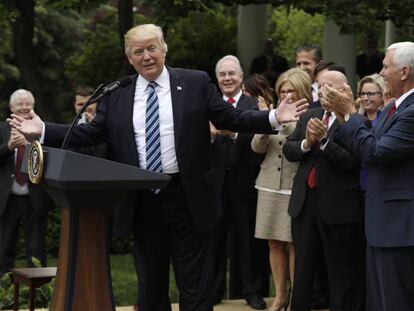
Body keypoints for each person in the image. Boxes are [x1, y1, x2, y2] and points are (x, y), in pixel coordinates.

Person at [8, 24, 308, 311]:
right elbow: (89, 133)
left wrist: (272, 118)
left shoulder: (193, 82)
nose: (146, 56)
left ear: (164, 50)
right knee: (150, 288)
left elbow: (229, 118)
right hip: (142, 200)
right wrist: (43, 130)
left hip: (188, 197)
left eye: (152, 48)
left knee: (195, 287)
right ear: (130, 58)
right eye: (138, 52)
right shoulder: (117, 92)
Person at [324, 41, 414, 311]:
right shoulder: (391, 108)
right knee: (378, 302)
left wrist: (351, 112)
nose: (382, 72)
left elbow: (375, 152)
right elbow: (365, 145)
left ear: (405, 72)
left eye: (386, 67)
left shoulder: (411, 113)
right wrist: (343, 115)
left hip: (401, 229)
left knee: (396, 302)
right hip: (380, 225)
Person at [283, 70, 365, 311]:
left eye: (328, 86)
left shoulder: (353, 120)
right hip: (305, 203)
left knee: (339, 272)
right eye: (319, 87)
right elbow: (289, 151)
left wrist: (324, 141)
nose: (322, 91)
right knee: (303, 270)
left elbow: (352, 161)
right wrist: (308, 142)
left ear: (343, 89)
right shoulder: (310, 113)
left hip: (338, 206)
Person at [210, 57, 269, 310]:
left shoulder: (253, 104)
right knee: (214, 240)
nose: (227, 78)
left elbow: (261, 137)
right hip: (215, 184)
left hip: (246, 182)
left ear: (241, 75)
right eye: (222, 74)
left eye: (231, 73)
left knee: (248, 242)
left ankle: (252, 291)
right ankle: (212, 292)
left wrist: (232, 133)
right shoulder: (209, 105)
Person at [252, 68, 312, 311]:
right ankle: (280, 296)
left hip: (294, 185)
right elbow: (257, 147)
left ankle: (297, 298)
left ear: (303, 92)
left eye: (291, 90)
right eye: (282, 91)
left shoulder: (311, 114)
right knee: (273, 243)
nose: (286, 95)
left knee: (294, 243)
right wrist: (268, 120)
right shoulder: (273, 114)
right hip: (268, 184)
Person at [0, 89, 52, 277]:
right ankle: (4, 292)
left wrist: (30, 144)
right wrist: (9, 147)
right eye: (19, 104)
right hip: (7, 199)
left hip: (35, 197)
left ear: (33, 105)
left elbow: (50, 157)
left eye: (27, 103)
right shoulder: (2, 130)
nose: (23, 107)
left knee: (36, 249)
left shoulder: (41, 129)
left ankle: (38, 293)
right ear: (11, 107)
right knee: (4, 247)